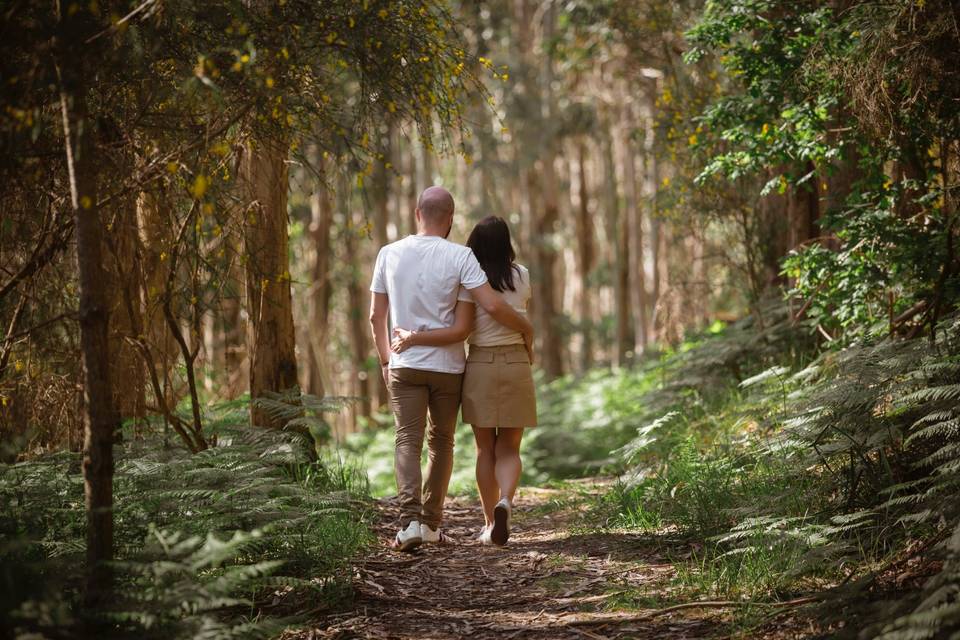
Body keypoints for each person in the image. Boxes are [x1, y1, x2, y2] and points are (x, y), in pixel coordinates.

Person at [369, 188, 534, 552]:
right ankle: (433, 524)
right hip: (450, 367)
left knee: (406, 442)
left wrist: (387, 358)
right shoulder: (461, 258)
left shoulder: (388, 253)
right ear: (451, 217)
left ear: (417, 213)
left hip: (407, 364)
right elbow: (485, 309)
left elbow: (375, 316)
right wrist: (526, 328)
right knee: (442, 443)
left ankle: (409, 524)